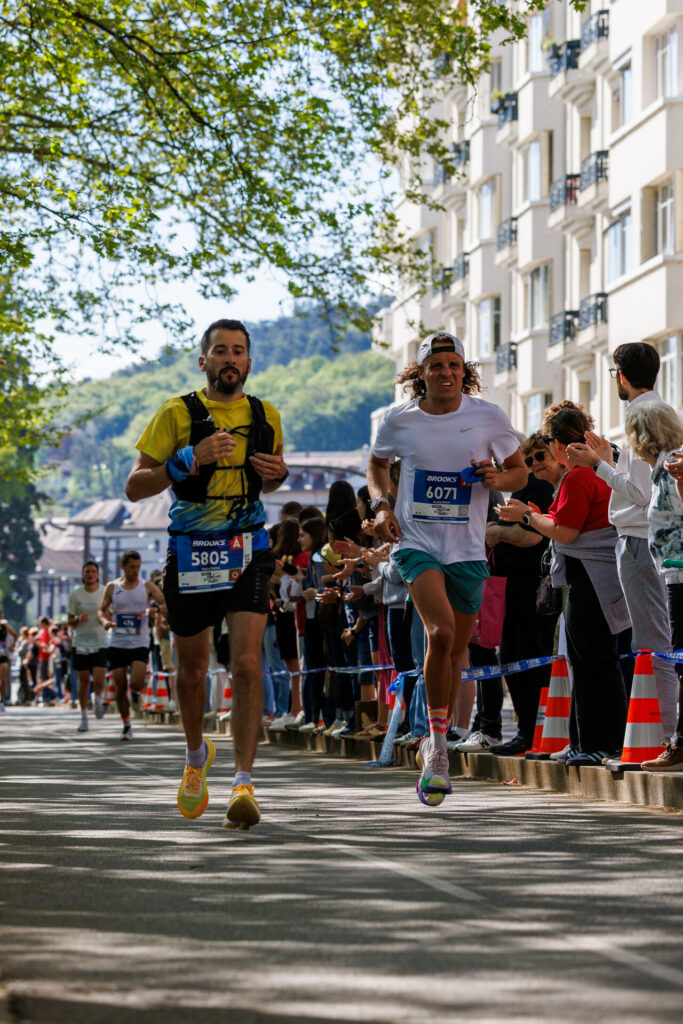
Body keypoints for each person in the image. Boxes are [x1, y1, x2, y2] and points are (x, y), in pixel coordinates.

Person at [125, 318, 288, 829]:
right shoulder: (177, 412)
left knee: (245, 664)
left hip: (249, 548)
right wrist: (186, 460)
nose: (230, 359)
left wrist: (278, 474)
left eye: (238, 351)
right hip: (192, 550)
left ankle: (243, 783)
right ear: (204, 360)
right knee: (192, 671)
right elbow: (134, 487)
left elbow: (278, 472)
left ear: (249, 361)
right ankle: (197, 758)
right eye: (220, 351)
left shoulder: (266, 414)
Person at [368, 331, 526, 805]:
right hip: (416, 543)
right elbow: (377, 466)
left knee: (456, 652)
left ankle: (438, 732)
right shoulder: (400, 420)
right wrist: (381, 506)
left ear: (464, 370)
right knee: (437, 635)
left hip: (468, 548)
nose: (446, 373)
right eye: (436, 366)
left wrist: (499, 478)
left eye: (454, 365)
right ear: (421, 374)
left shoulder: (488, 416)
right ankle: (437, 747)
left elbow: (519, 471)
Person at [496, 401, 630, 765]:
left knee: (591, 661)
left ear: (559, 445)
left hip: (590, 576)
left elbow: (565, 532)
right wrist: (535, 517)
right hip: (594, 574)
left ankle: (597, 743)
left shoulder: (578, 476)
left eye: (547, 445)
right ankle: (592, 742)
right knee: (590, 660)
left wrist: (527, 515)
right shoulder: (592, 473)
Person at [564, 343, 678, 740]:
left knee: (653, 645)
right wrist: (607, 464)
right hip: (650, 542)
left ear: (622, 376)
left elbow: (642, 494)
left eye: (614, 374)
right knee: (656, 643)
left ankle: (665, 738)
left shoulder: (641, 415)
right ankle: (665, 737)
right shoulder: (660, 410)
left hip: (640, 543)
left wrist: (597, 466)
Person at [481, 435, 560, 755]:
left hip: (531, 586)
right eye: (526, 460)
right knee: (514, 657)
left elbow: (531, 536)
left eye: (538, 457)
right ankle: (530, 730)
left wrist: (497, 532)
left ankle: (533, 731)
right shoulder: (522, 489)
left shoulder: (539, 488)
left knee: (525, 657)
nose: (532, 464)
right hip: (513, 585)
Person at [622, 401, 683, 771]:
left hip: (681, 574)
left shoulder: (674, 466)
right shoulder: (665, 468)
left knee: (680, 658)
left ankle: (679, 743)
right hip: (674, 574)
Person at [98, 550, 165, 741]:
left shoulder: (147, 586)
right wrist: (104, 622)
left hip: (139, 642)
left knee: (135, 682)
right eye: (132, 567)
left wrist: (155, 610)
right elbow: (100, 611)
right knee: (120, 686)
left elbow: (165, 604)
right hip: (117, 642)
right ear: (122, 566)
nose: (136, 571)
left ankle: (136, 692)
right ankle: (126, 724)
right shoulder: (112, 587)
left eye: (138, 567)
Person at [68, 561, 108, 733]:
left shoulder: (105, 592)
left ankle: (98, 697)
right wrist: (77, 620)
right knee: (83, 682)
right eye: (87, 571)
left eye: (93, 571)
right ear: (83, 574)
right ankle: (84, 717)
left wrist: (106, 618)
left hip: (100, 641)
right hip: (81, 642)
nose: (90, 574)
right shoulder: (75, 595)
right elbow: (69, 622)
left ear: (98, 574)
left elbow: (110, 613)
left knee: (99, 680)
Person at [0, 617, 18, 710]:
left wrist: (12, 645)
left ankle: (2, 701)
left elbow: (15, 635)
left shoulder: (4, 627)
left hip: (3, 655)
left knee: (3, 680)